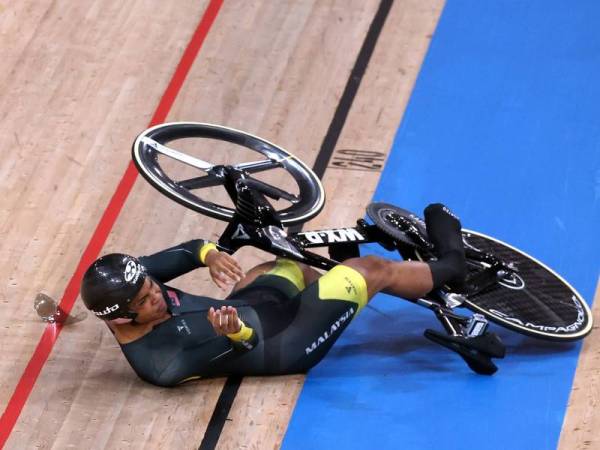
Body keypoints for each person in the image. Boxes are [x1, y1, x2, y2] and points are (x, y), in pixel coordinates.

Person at [80, 203, 466, 387]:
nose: (157, 296)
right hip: (284, 341)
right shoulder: (159, 362)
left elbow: (187, 252)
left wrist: (210, 255)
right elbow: (245, 346)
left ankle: (349, 282)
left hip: (251, 305)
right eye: (147, 301)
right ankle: (452, 264)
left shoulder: (133, 286)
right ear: (120, 319)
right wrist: (234, 332)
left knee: (286, 263)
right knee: (371, 271)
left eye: (152, 287)